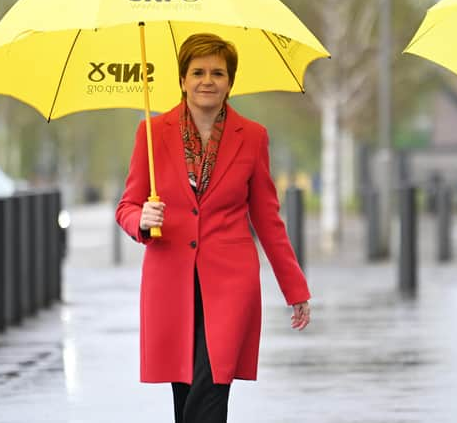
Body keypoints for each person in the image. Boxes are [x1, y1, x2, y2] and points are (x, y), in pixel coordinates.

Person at [116, 33, 311, 423]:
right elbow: (126, 206)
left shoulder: (253, 137)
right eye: (198, 72)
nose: (208, 80)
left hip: (231, 281)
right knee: (185, 391)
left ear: (230, 82)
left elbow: (268, 219)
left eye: (218, 73)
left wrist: (295, 289)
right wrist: (142, 220)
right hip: (171, 281)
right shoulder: (152, 135)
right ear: (183, 80)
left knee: (211, 385)